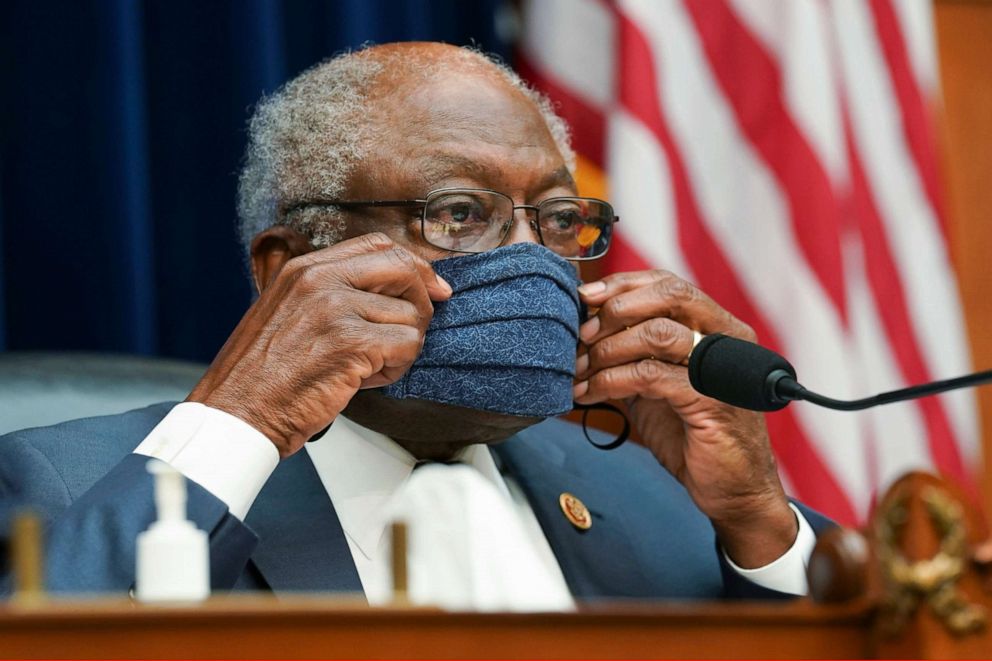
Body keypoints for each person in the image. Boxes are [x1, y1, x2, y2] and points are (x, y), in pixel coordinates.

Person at [0, 42, 830, 603]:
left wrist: (759, 521)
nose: (531, 258)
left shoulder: (654, 493)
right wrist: (242, 419)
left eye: (557, 218)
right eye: (459, 211)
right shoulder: (56, 482)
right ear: (287, 266)